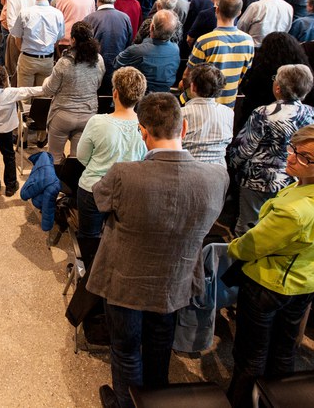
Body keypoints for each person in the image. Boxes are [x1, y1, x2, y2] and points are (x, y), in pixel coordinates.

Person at [90, 93, 229, 408]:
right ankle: (155, 400)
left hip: (125, 279)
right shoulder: (217, 176)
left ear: (143, 131)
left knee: (125, 350)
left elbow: (100, 200)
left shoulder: (125, 174)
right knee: (159, 345)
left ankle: (127, 403)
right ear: (183, 130)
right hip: (175, 279)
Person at [227, 123, 314, 408]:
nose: (292, 157)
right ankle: (277, 399)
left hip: (268, 283)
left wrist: (233, 247)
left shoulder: (294, 212)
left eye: (306, 157)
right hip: (307, 278)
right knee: (284, 348)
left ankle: (242, 401)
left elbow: (251, 245)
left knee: (251, 354)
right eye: (294, 149)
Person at [230, 64, 314, 233]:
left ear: (278, 88)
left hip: (259, 181)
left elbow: (243, 150)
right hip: (294, 178)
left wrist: (233, 168)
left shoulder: (263, 113)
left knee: (249, 226)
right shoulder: (313, 114)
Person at [75, 67, 147, 269]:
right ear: (139, 97)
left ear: (115, 93)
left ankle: (90, 270)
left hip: (93, 190)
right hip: (129, 192)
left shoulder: (98, 122)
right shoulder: (145, 127)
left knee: (89, 235)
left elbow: (82, 157)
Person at [42, 22, 105, 163]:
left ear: (74, 40)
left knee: (55, 158)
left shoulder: (64, 63)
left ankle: (55, 184)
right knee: (78, 160)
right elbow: (98, 84)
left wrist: (46, 80)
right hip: (88, 115)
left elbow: (48, 90)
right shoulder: (98, 60)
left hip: (62, 115)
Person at [0, 63, 43, 196]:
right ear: (3, 81)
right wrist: (47, 88)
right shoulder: (10, 94)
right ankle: (10, 185)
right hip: (5, 132)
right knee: (8, 157)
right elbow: (30, 91)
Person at [181, 0, 254, 108]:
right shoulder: (249, 41)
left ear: (217, 10)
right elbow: (243, 73)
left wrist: (184, 87)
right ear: (239, 13)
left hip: (202, 102)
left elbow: (187, 75)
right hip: (229, 102)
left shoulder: (205, 40)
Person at [11, 0, 64, 88]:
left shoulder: (25, 13)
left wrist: (26, 51)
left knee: (24, 96)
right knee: (43, 97)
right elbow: (57, 40)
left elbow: (17, 39)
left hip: (28, 58)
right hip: (47, 59)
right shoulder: (58, 14)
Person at [82, 0, 133, 97]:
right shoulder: (125, 18)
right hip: (118, 67)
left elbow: (84, 46)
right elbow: (129, 43)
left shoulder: (90, 18)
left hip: (94, 69)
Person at [181, 64, 234, 166]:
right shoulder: (229, 113)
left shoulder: (181, 114)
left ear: (192, 87)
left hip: (188, 171)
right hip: (219, 173)